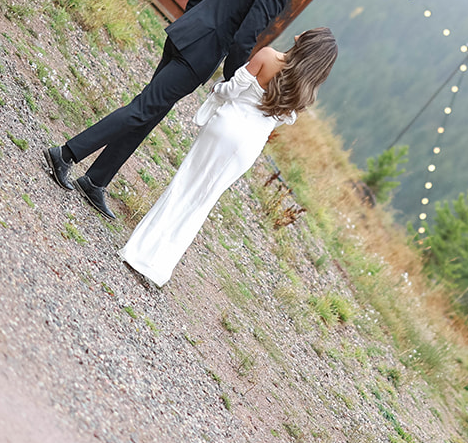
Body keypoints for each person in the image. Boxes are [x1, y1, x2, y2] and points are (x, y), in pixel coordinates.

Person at [45, 0, 332, 218]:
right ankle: (66, 154)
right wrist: (234, 82)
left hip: (185, 37)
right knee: (142, 110)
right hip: (196, 56)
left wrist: (194, 23)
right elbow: (243, 40)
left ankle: (96, 179)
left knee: (149, 113)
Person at [119, 27, 338, 286]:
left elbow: (231, 90)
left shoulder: (268, 56)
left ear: (305, 40)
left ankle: (138, 250)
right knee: (203, 201)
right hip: (249, 145)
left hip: (226, 126)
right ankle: (159, 266)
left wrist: (216, 90)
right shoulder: (305, 93)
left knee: (184, 183)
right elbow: (277, 121)